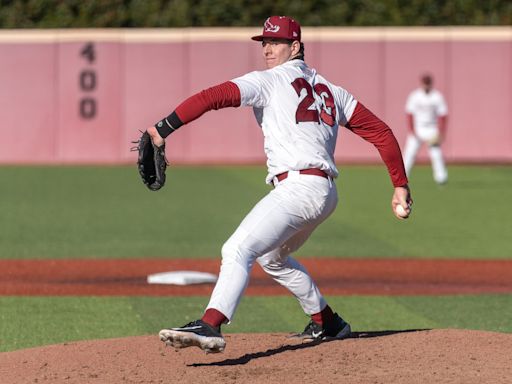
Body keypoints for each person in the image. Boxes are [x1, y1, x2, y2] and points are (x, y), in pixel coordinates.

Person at [148, 16, 412, 354]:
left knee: (237, 249)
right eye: (264, 42)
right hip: (325, 193)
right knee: (272, 258)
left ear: (296, 47)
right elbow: (381, 132)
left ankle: (211, 324)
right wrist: (400, 185)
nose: (267, 48)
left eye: (275, 42)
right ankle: (328, 322)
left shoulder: (268, 81)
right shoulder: (333, 91)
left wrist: (163, 127)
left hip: (298, 189)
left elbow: (214, 96)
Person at [403, 74, 448, 185]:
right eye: (424, 83)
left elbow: (443, 115)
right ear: (421, 83)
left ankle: (441, 179)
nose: (426, 85)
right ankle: (402, 178)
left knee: (436, 154)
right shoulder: (415, 96)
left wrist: (441, 132)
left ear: (431, 83)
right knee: (409, 153)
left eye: (428, 83)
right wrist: (411, 130)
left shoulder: (437, 96)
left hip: (431, 128)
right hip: (418, 127)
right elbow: (409, 113)